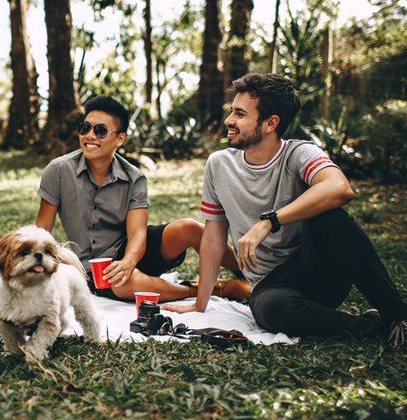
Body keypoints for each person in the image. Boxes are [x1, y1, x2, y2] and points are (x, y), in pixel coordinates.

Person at [164, 73, 407, 345]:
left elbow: (339, 188)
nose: (229, 120)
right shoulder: (218, 165)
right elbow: (213, 237)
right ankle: (373, 327)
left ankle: (400, 318)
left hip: (316, 269)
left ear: (271, 123)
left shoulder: (299, 154)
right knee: (272, 308)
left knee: (330, 219)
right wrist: (200, 303)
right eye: (231, 112)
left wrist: (269, 222)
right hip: (270, 287)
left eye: (239, 114)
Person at [35, 95, 250, 303]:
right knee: (124, 283)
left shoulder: (134, 177)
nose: (90, 136)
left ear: (119, 139)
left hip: (132, 250)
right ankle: (210, 290)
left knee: (189, 228)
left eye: (100, 131)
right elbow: (41, 230)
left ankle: (251, 274)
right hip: (92, 268)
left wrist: (128, 262)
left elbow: (138, 233)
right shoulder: (58, 171)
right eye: (85, 128)